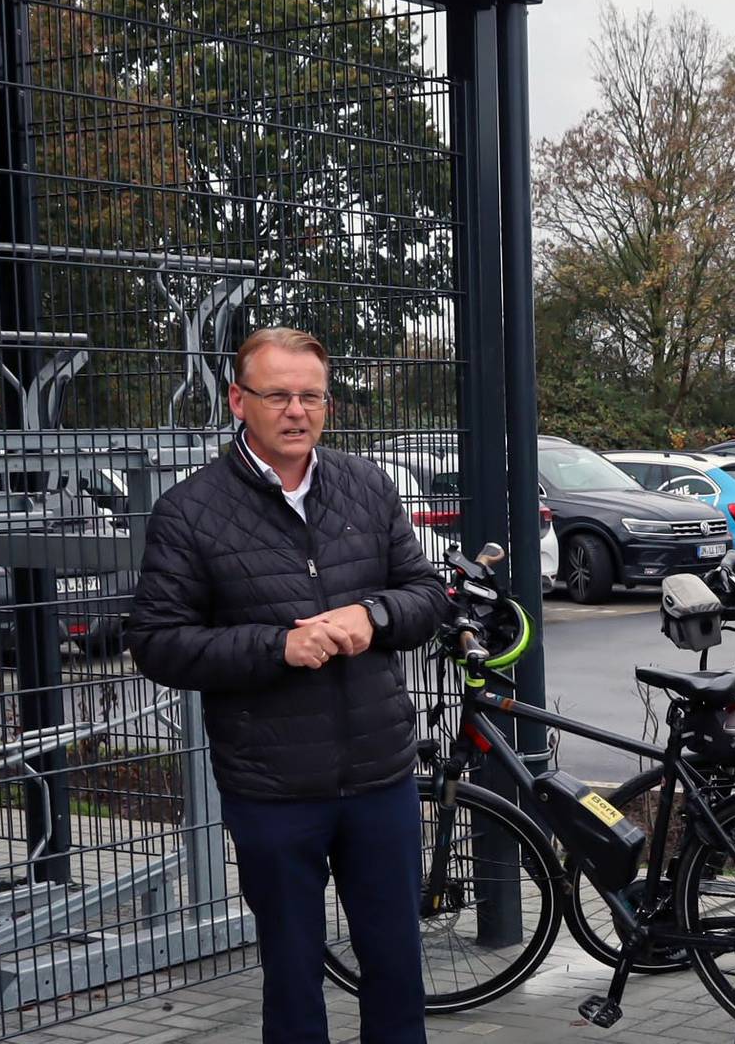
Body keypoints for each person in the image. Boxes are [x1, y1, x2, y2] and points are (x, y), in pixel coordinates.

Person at [125, 327, 447, 1044]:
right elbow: (157, 643)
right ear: (239, 401)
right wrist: (280, 646)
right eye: (278, 396)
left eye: (312, 396)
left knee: (397, 964)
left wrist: (377, 612)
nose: (297, 411)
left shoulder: (365, 484)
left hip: (380, 775)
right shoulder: (189, 510)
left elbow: (426, 595)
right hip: (272, 786)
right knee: (293, 973)